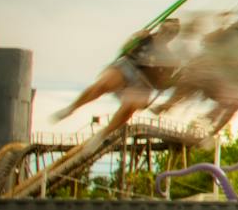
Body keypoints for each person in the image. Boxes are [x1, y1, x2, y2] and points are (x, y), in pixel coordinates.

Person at [53, 18, 182, 135]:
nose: (167, 34)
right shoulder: (145, 38)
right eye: (166, 30)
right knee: (103, 85)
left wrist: (174, 78)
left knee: (130, 107)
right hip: (128, 66)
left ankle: (104, 134)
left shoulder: (169, 58)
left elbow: (161, 85)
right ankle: (72, 108)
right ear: (161, 28)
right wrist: (134, 38)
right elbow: (125, 49)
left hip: (143, 82)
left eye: (171, 33)